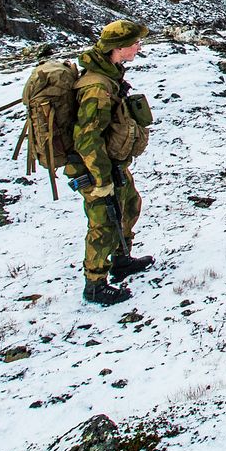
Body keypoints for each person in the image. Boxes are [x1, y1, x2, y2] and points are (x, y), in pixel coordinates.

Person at [69, 18, 155, 305]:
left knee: (129, 205)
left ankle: (121, 259)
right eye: (135, 44)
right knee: (102, 222)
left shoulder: (111, 74)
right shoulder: (97, 87)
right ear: (118, 48)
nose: (139, 48)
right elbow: (87, 138)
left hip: (113, 162)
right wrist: (100, 179)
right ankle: (95, 284)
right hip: (96, 167)